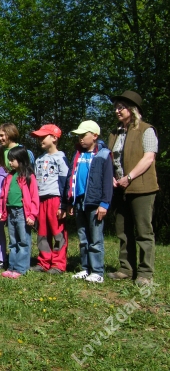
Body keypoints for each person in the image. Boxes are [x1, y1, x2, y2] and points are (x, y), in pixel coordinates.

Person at [107, 91, 158, 287]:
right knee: (122, 230)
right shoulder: (115, 133)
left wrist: (129, 177)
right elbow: (110, 158)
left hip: (142, 187)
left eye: (121, 107)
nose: (117, 110)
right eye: (116, 107)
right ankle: (126, 269)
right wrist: (112, 177)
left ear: (133, 110)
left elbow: (149, 157)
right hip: (119, 188)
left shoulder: (146, 130)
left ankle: (145, 272)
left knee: (144, 231)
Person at [68, 121, 113, 283]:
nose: (80, 139)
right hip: (79, 202)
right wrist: (70, 201)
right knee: (83, 238)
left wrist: (104, 204)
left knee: (95, 238)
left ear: (94, 136)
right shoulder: (78, 154)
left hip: (95, 204)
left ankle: (97, 271)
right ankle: (86, 268)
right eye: (78, 136)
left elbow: (107, 182)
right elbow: (71, 178)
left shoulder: (103, 155)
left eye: (83, 135)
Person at [30, 125, 70, 274]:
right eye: (38, 137)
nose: (40, 140)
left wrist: (64, 204)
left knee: (57, 231)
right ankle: (43, 261)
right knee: (42, 231)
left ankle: (58, 263)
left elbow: (65, 181)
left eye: (43, 136)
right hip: (41, 199)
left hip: (55, 198)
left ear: (54, 138)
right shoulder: (39, 159)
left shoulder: (61, 158)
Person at [0, 146, 39, 278]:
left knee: (23, 240)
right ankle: (12, 266)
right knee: (13, 241)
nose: (10, 162)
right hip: (11, 211)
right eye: (9, 160)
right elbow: (3, 195)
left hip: (22, 212)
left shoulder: (28, 176)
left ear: (21, 160)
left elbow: (34, 197)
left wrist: (32, 215)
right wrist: (2, 210)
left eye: (12, 160)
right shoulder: (9, 176)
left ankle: (21, 268)